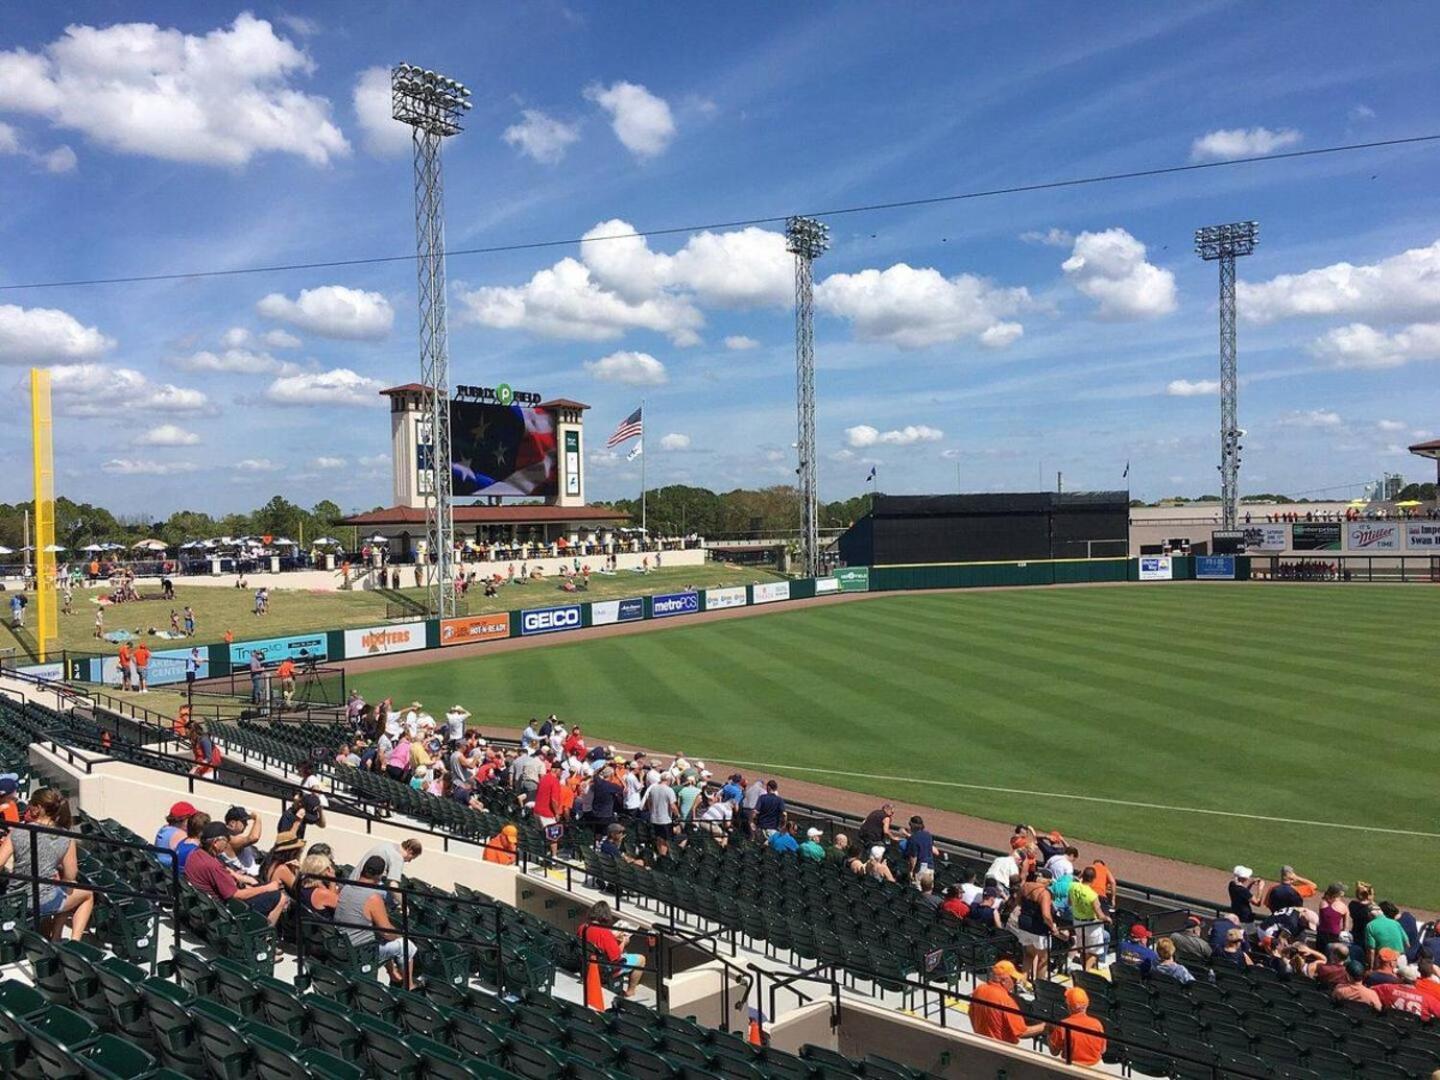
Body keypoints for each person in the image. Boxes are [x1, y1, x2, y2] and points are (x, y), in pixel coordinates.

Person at [0, 788, 94, 940]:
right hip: (44, 900)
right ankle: (71, 940)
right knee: (86, 893)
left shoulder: (18, 831)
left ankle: (54, 936)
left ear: (37, 808)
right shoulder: (65, 837)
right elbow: (70, 875)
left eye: (30, 803)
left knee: (66, 888)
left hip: (15, 898)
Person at [334, 855, 419, 988]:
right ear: (379, 876)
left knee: (380, 936)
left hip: (341, 944)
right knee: (406, 946)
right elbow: (387, 932)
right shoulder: (373, 898)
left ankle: (394, 975)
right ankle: (409, 986)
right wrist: (400, 935)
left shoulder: (347, 887)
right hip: (361, 951)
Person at [185, 821, 288, 926]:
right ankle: (265, 934)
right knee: (279, 897)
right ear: (215, 842)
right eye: (227, 839)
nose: (228, 843)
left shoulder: (194, 855)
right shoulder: (212, 866)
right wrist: (267, 888)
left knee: (257, 885)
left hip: (208, 906)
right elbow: (237, 895)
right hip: (227, 912)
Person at [578, 900, 646, 998]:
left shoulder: (582, 927)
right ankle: (630, 991)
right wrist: (623, 942)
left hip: (586, 964)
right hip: (605, 969)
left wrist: (613, 937)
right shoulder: (605, 933)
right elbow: (616, 958)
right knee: (641, 959)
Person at [969, 960, 1046, 1045]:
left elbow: (971, 1013)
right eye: (1013, 979)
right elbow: (1022, 1032)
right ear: (1004, 980)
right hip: (1002, 1049)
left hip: (981, 1042)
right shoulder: (1007, 1001)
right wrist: (1044, 1026)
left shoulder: (978, 990)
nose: (1015, 982)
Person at [1016, 868, 1062, 982]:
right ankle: (1040, 985)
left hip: (1023, 924)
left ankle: (1022, 981)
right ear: (1046, 881)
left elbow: (1017, 902)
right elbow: (1046, 915)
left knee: (1028, 955)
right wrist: (1053, 927)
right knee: (1043, 958)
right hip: (1038, 928)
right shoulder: (1044, 893)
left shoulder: (1025, 886)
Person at [1046, 987, 1107, 1068]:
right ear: (1087, 1005)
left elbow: (1054, 1052)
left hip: (1072, 1068)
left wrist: (1049, 1034)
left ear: (1069, 1006)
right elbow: (1103, 1050)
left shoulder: (1063, 1025)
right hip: (1095, 1066)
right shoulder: (1097, 1024)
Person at [1068, 866, 1111, 971]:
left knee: (1083, 950)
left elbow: (1069, 902)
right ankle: (1085, 972)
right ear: (1093, 879)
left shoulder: (1072, 886)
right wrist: (1107, 918)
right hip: (1091, 925)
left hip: (1077, 922)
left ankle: (1084, 971)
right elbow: (1100, 915)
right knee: (1095, 952)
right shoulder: (1092, 895)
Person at [357, 839, 422, 887]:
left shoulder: (388, 845)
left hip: (356, 879)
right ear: (410, 851)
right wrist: (403, 903)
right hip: (363, 887)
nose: (409, 861)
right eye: (411, 858)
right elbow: (393, 885)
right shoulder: (397, 857)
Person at [641, 775, 678, 858]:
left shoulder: (653, 788)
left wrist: (652, 811)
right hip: (665, 820)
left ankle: (661, 856)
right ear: (669, 780)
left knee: (659, 839)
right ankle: (664, 858)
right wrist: (678, 815)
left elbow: (648, 802)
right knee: (666, 840)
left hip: (654, 818)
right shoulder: (669, 790)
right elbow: (673, 806)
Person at [1366, 901, 1410, 966]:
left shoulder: (1370, 926)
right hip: (1400, 959)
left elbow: (1371, 950)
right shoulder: (1395, 923)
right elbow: (1407, 944)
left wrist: (1371, 967)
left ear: (1369, 915)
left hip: (1385, 962)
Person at [1316, 882, 1348, 951]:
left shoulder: (1322, 903)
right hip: (1334, 935)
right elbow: (1345, 927)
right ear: (1338, 893)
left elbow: (1321, 919)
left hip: (1321, 933)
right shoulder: (1343, 907)